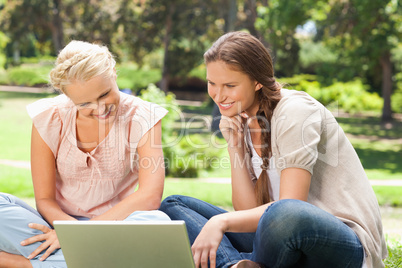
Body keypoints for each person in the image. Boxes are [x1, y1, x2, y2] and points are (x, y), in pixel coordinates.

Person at [160, 31, 387, 268]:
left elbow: (291, 207)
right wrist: (235, 147)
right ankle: (234, 266)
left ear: (257, 82)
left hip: (342, 242)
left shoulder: (295, 111)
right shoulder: (244, 119)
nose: (218, 95)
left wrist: (221, 222)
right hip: (281, 235)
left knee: (283, 213)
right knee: (174, 205)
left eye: (230, 85)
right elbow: (249, 212)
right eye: (212, 83)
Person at [0, 40, 170, 268]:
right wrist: (69, 231)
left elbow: (149, 196)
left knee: (156, 223)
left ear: (113, 74)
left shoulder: (144, 116)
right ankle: (97, 261)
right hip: (57, 225)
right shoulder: (49, 116)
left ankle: (19, 263)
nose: (100, 109)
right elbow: (45, 200)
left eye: (104, 94)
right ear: (68, 97)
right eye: (84, 103)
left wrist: (79, 236)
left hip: (116, 226)